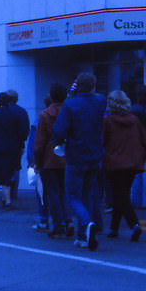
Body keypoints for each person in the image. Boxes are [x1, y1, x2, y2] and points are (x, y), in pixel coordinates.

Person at [53, 72, 107, 250]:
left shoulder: (70, 104)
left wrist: (59, 143)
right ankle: (83, 235)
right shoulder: (100, 101)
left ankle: (86, 223)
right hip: (95, 154)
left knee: (73, 196)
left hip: (76, 154)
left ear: (77, 85)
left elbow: (59, 129)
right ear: (93, 85)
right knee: (88, 194)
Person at [102, 90, 146, 241]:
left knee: (119, 195)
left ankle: (134, 225)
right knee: (122, 194)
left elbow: (103, 142)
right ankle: (114, 228)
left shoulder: (107, 122)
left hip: (114, 163)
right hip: (133, 163)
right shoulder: (134, 120)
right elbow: (143, 140)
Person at [34, 84, 70, 238]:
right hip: (68, 156)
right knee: (67, 191)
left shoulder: (45, 115)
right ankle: (68, 220)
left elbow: (40, 142)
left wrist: (37, 161)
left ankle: (58, 224)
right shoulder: (70, 112)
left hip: (49, 158)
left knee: (53, 192)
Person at [0, 91, 29, 210]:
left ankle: (6, 198)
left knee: (1, 172)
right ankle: (7, 196)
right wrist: (20, 143)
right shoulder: (15, 115)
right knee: (10, 171)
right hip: (12, 147)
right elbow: (22, 132)